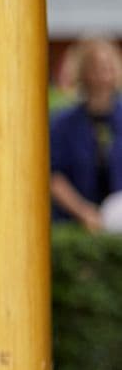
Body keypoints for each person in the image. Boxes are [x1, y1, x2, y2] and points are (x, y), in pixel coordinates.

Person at [50, 34, 122, 231]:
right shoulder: (63, 123)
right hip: (73, 221)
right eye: (96, 67)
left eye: (108, 66)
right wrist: (84, 213)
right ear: (82, 72)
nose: (103, 74)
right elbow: (53, 175)